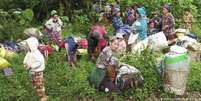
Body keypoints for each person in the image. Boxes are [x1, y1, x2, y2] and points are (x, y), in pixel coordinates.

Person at [23, 37, 48, 101]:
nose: (26, 46)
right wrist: (25, 63)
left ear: (32, 45)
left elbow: (39, 62)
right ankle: (36, 89)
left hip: (38, 71)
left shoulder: (36, 54)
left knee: (39, 84)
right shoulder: (29, 52)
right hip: (32, 71)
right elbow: (26, 59)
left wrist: (31, 66)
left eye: (27, 45)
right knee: (34, 81)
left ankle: (43, 96)